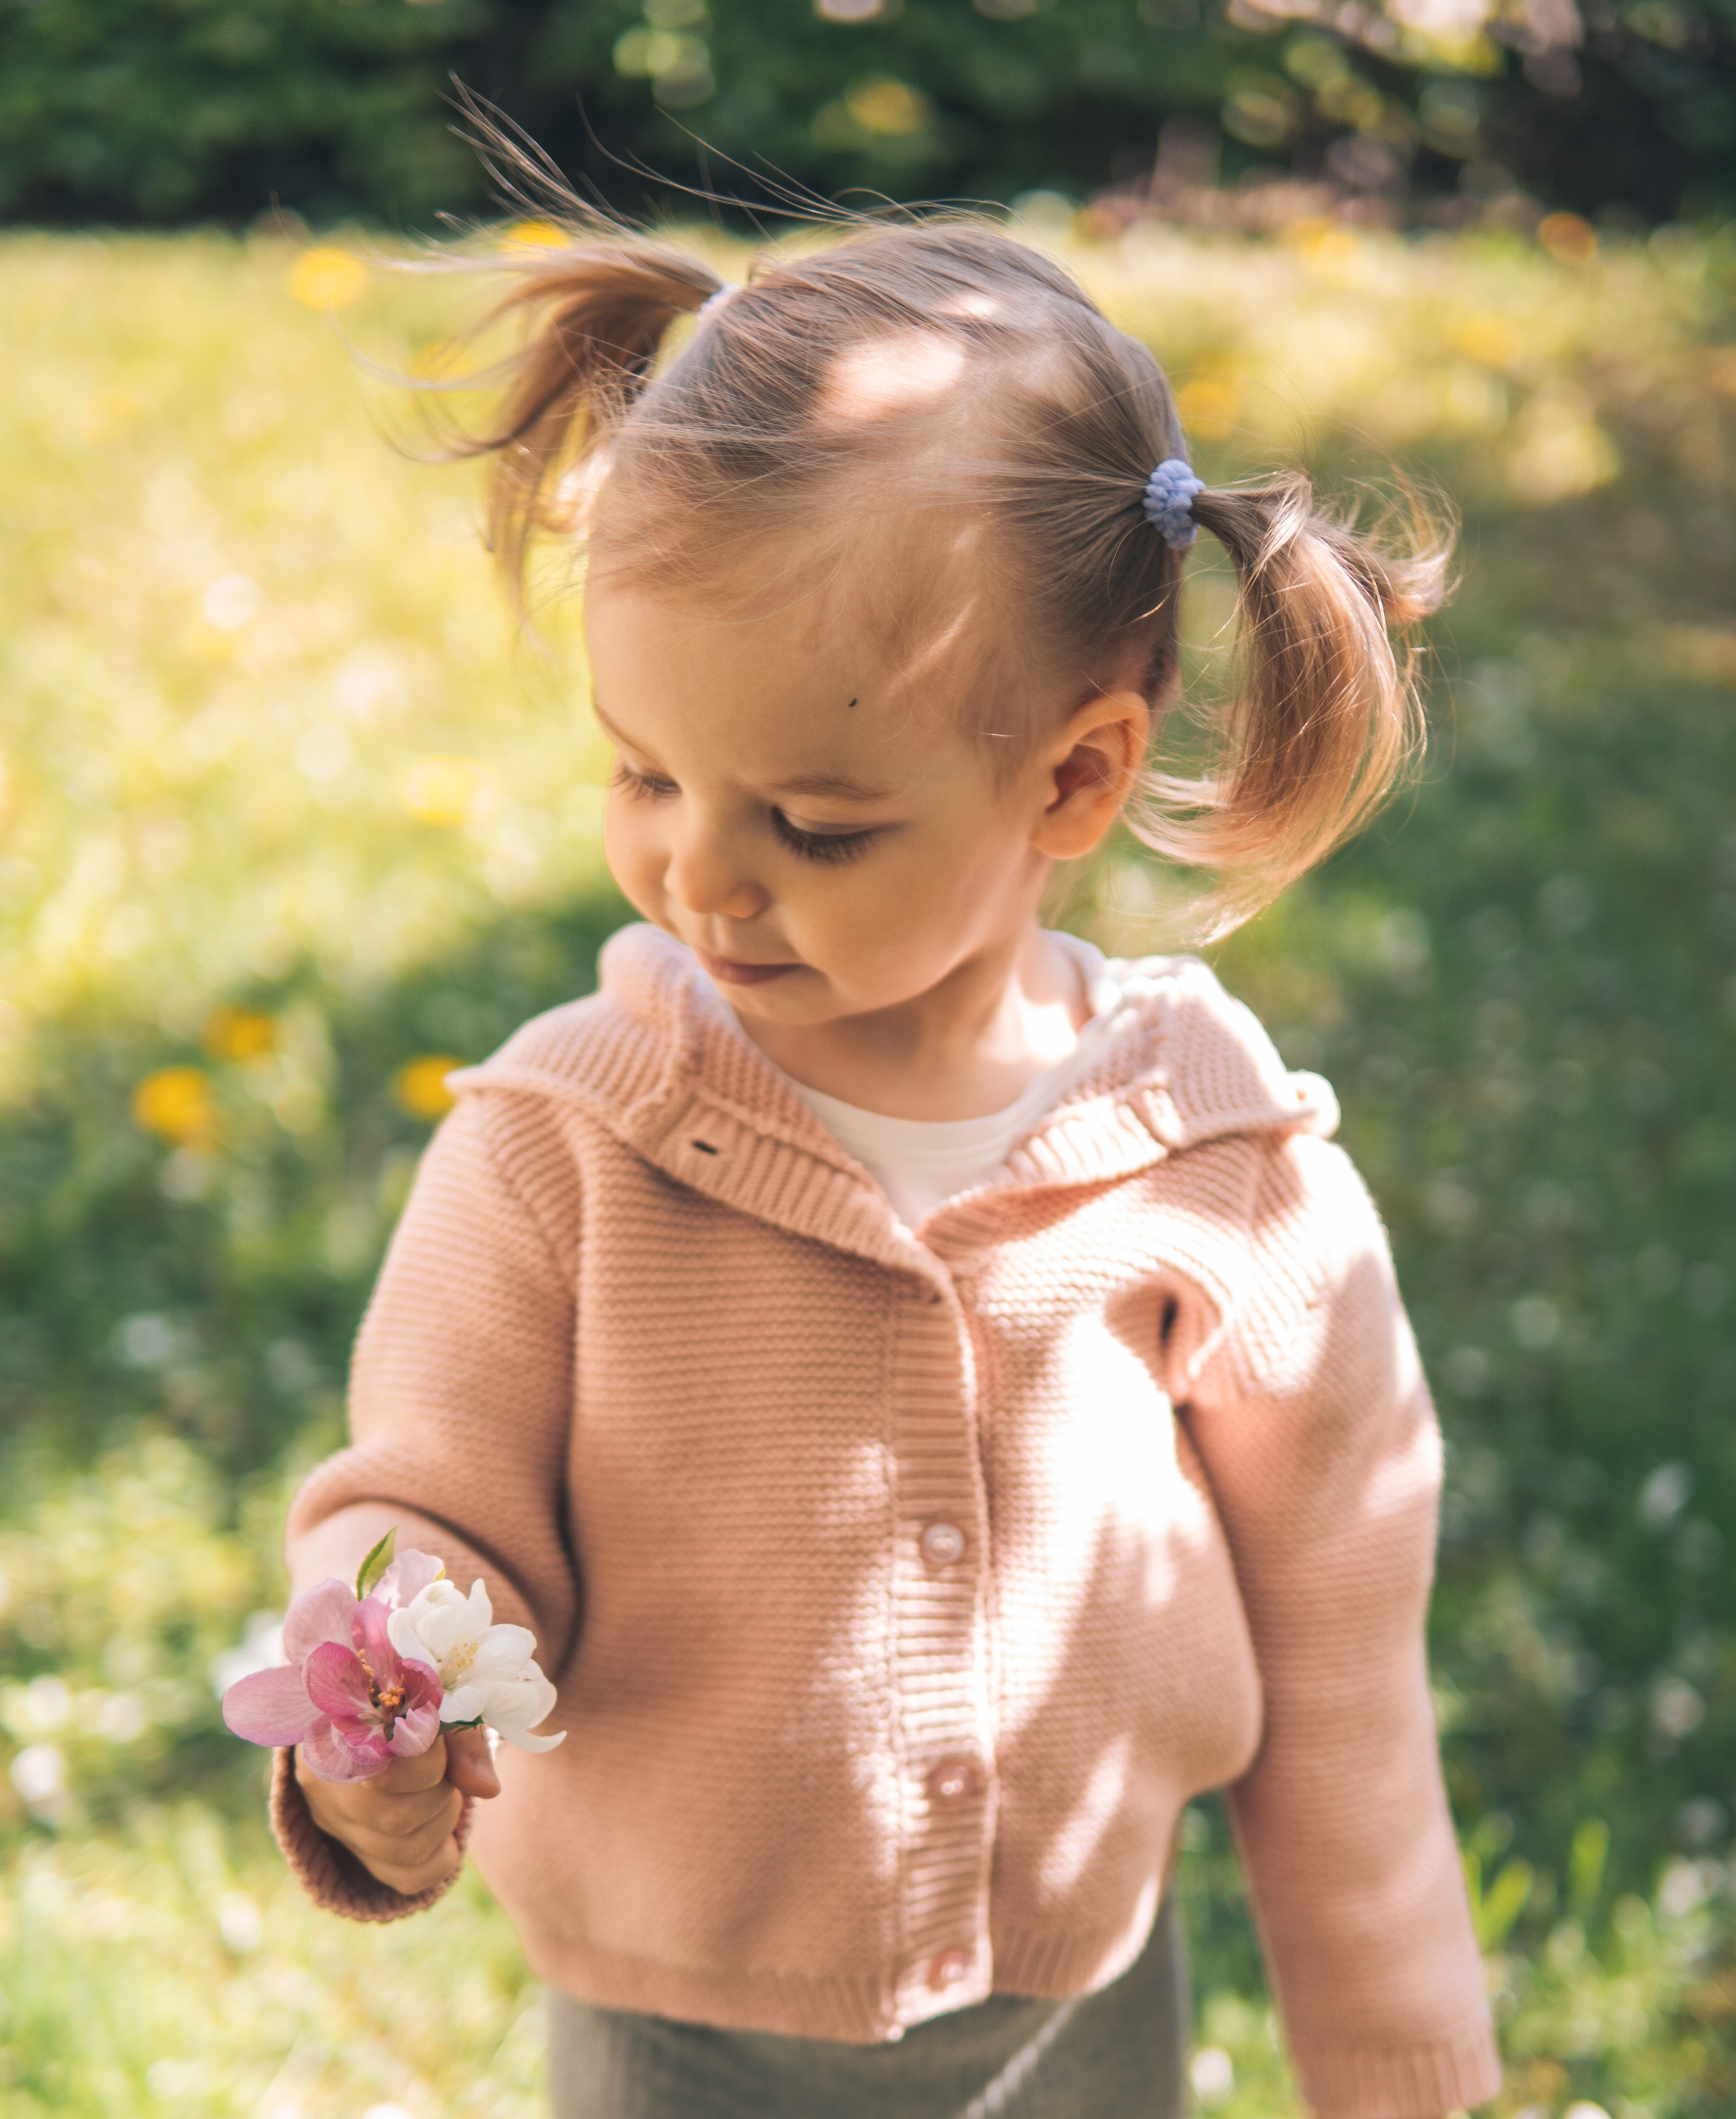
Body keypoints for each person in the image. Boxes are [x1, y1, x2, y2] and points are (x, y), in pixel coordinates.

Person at [269, 208, 1501, 2119]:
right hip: (675, 2033)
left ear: (1075, 778)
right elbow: (426, 1500)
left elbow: (1342, 1669)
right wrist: (388, 1687)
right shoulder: (564, 1141)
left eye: (816, 826)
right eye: (644, 772)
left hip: (1079, 2017)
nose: (699, 874)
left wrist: (1398, 2069)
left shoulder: (1218, 1166)